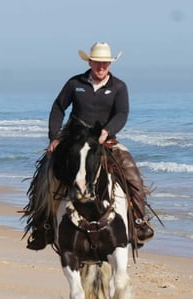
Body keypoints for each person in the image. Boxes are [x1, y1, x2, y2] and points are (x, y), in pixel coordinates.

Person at [24, 41, 155, 250]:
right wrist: (54, 137)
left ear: (110, 64)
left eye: (105, 63)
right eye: (97, 62)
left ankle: (138, 222)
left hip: (106, 142)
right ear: (90, 62)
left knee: (132, 176)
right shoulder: (75, 83)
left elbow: (122, 113)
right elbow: (58, 108)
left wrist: (107, 131)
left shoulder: (119, 87)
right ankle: (43, 226)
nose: (101, 67)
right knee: (45, 175)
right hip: (74, 142)